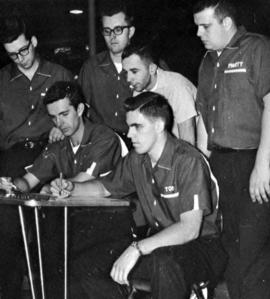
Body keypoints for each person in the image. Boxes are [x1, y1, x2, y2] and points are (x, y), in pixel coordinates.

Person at [51, 92, 227, 299]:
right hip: (159, 245)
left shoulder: (188, 161)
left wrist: (136, 248)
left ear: (159, 126)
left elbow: (189, 229)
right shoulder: (137, 159)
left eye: (137, 127)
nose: (130, 134)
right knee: (88, 264)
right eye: (129, 126)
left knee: (165, 261)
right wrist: (71, 188)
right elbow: (104, 188)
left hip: (202, 248)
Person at [13, 81, 132, 299]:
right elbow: (27, 182)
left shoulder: (103, 137)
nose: (59, 122)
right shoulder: (59, 145)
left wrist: (51, 187)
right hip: (77, 222)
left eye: (64, 114)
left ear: (79, 109)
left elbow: (80, 183)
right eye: (53, 117)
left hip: (117, 224)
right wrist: (9, 185)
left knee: (68, 258)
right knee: (42, 251)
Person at [193, 1, 270, 298]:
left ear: (226, 23)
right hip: (221, 164)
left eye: (205, 25)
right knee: (231, 249)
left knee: (253, 250)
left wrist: (263, 167)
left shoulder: (257, 49)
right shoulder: (208, 61)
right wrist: (202, 167)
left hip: (253, 160)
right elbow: (203, 115)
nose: (198, 32)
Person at [0, 10, 72, 299]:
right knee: (6, 236)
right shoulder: (1, 81)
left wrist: (62, 130)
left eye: (24, 50)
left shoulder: (59, 74)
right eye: (13, 55)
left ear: (34, 41)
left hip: (50, 157)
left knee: (50, 235)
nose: (20, 58)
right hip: (11, 159)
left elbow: (76, 119)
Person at [78, 0, 135, 148]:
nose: (112, 36)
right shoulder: (91, 68)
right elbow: (80, 109)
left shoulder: (148, 66)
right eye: (107, 31)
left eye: (118, 29)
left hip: (136, 144)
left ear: (131, 31)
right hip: (100, 144)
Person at [122, 41, 197, 145]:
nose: (128, 79)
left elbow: (188, 138)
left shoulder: (177, 86)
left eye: (134, 71)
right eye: (126, 72)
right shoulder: (138, 91)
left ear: (152, 69)